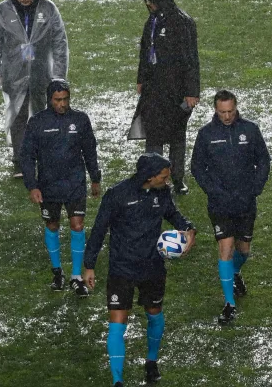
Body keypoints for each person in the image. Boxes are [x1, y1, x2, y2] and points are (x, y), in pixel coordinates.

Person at [84, 153, 196, 386]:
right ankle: (117, 380)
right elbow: (98, 230)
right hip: (122, 268)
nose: (167, 180)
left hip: (152, 266)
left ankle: (151, 362)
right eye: (163, 177)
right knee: (118, 321)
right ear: (149, 176)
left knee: (154, 313)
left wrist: (188, 228)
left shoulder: (162, 192)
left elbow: (173, 214)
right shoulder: (117, 195)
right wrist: (89, 265)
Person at [190, 90, 271, 325]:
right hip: (219, 203)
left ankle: (235, 273)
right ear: (215, 110)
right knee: (225, 248)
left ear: (236, 108)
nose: (226, 116)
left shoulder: (250, 130)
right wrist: (213, 191)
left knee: (243, 250)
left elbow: (263, 160)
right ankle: (229, 304)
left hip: (245, 201)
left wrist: (256, 187)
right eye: (222, 112)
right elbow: (197, 167)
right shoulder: (206, 134)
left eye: (230, 111)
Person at [20, 79, 101, 297]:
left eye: (65, 99)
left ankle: (76, 276)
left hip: (75, 183)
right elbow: (27, 157)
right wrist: (32, 186)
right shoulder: (37, 123)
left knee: (77, 225)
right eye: (58, 100)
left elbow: (90, 150)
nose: (62, 104)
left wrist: (95, 178)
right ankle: (57, 272)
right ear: (49, 100)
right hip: (48, 186)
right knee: (53, 225)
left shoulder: (80, 120)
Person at [0, 0, 69, 178]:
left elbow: (60, 42)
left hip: (43, 72)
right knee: (18, 115)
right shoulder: (3, 10)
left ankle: (45, 159)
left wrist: (59, 74)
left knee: (45, 115)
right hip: (14, 73)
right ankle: (20, 162)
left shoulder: (48, 9)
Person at [131, 0, 200, 195]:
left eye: (151, 1)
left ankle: (177, 179)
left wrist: (191, 91)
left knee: (176, 135)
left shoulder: (182, 23)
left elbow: (191, 59)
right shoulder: (152, 21)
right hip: (153, 89)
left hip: (176, 90)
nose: (148, 5)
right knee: (153, 135)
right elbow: (145, 51)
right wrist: (141, 78)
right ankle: (153, 177)